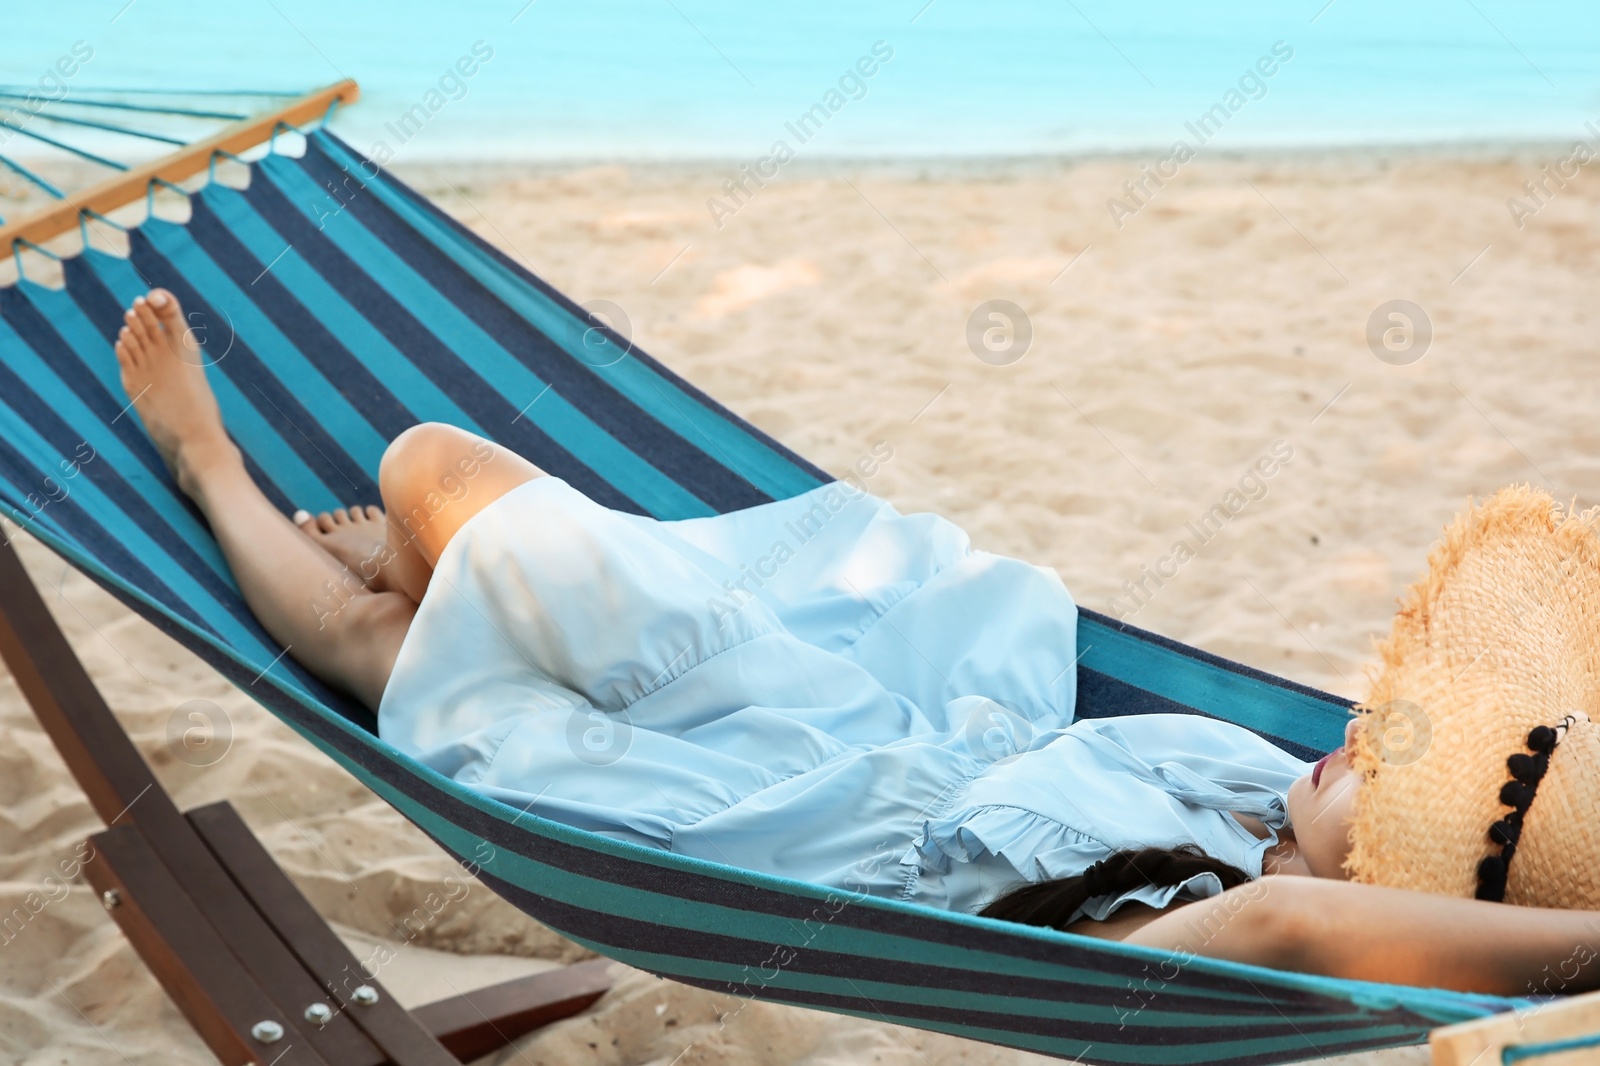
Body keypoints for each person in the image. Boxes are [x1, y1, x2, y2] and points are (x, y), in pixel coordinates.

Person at [112, 287, 1600, 996]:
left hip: (756, 822)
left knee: (396, 640)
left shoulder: (1205, 926)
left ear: (1395, 876)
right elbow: (1341, 862)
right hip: (826, 688)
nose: (1366, 733)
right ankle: (442, 571)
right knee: (434, 468)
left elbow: (1305, 929)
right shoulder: (1259, 781)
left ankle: (211, 469)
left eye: (1394, 784)